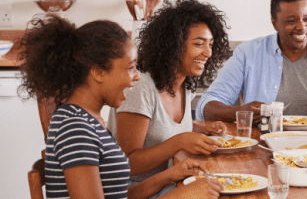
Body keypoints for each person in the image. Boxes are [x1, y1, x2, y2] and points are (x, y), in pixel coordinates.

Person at [18, 16, 222, 199]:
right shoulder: (75, 127)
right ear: (98, 72)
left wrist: (168, 176)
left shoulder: (89, 119)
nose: (136, 76)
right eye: (130, 67)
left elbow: (118, 195)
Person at [109, 0, 232, 194]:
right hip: (136, 190)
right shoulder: (141, 88)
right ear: (173, 45)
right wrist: (180, 141)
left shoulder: (184, 85)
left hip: (170, 181)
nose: (208, 52)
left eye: (211, 44)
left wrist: (200, 127)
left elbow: (159, 127)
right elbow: (127, 164)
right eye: (199, 44)